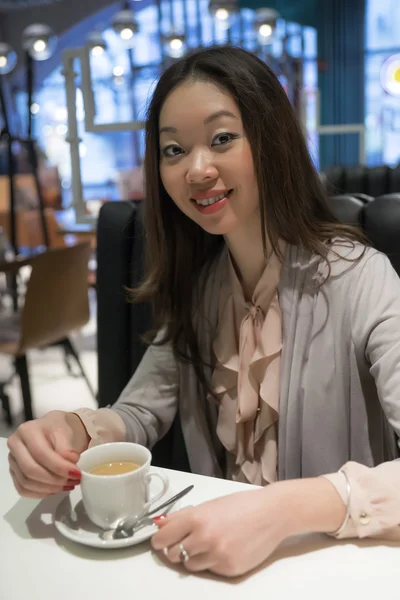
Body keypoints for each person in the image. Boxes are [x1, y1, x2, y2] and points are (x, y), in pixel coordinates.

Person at [7, 46, 400, 577]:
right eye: (173, 150)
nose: (196, 169)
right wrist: (70, 429)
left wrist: (285, 508)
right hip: (219, 567)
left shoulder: (362, 277)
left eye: (221, 139)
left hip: (333, 569)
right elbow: (139, 412)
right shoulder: (201, 288)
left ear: (272, 139)